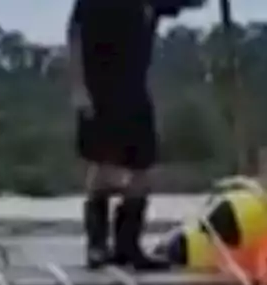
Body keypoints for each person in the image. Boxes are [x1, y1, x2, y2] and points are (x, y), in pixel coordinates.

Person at [67, 0, 203, 270]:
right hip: (99, 90)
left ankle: (128, 247)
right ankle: (97, 246)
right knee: (102, 167)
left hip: (135, 92)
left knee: (143, 170)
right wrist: (78, 87)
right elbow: (75, 36)